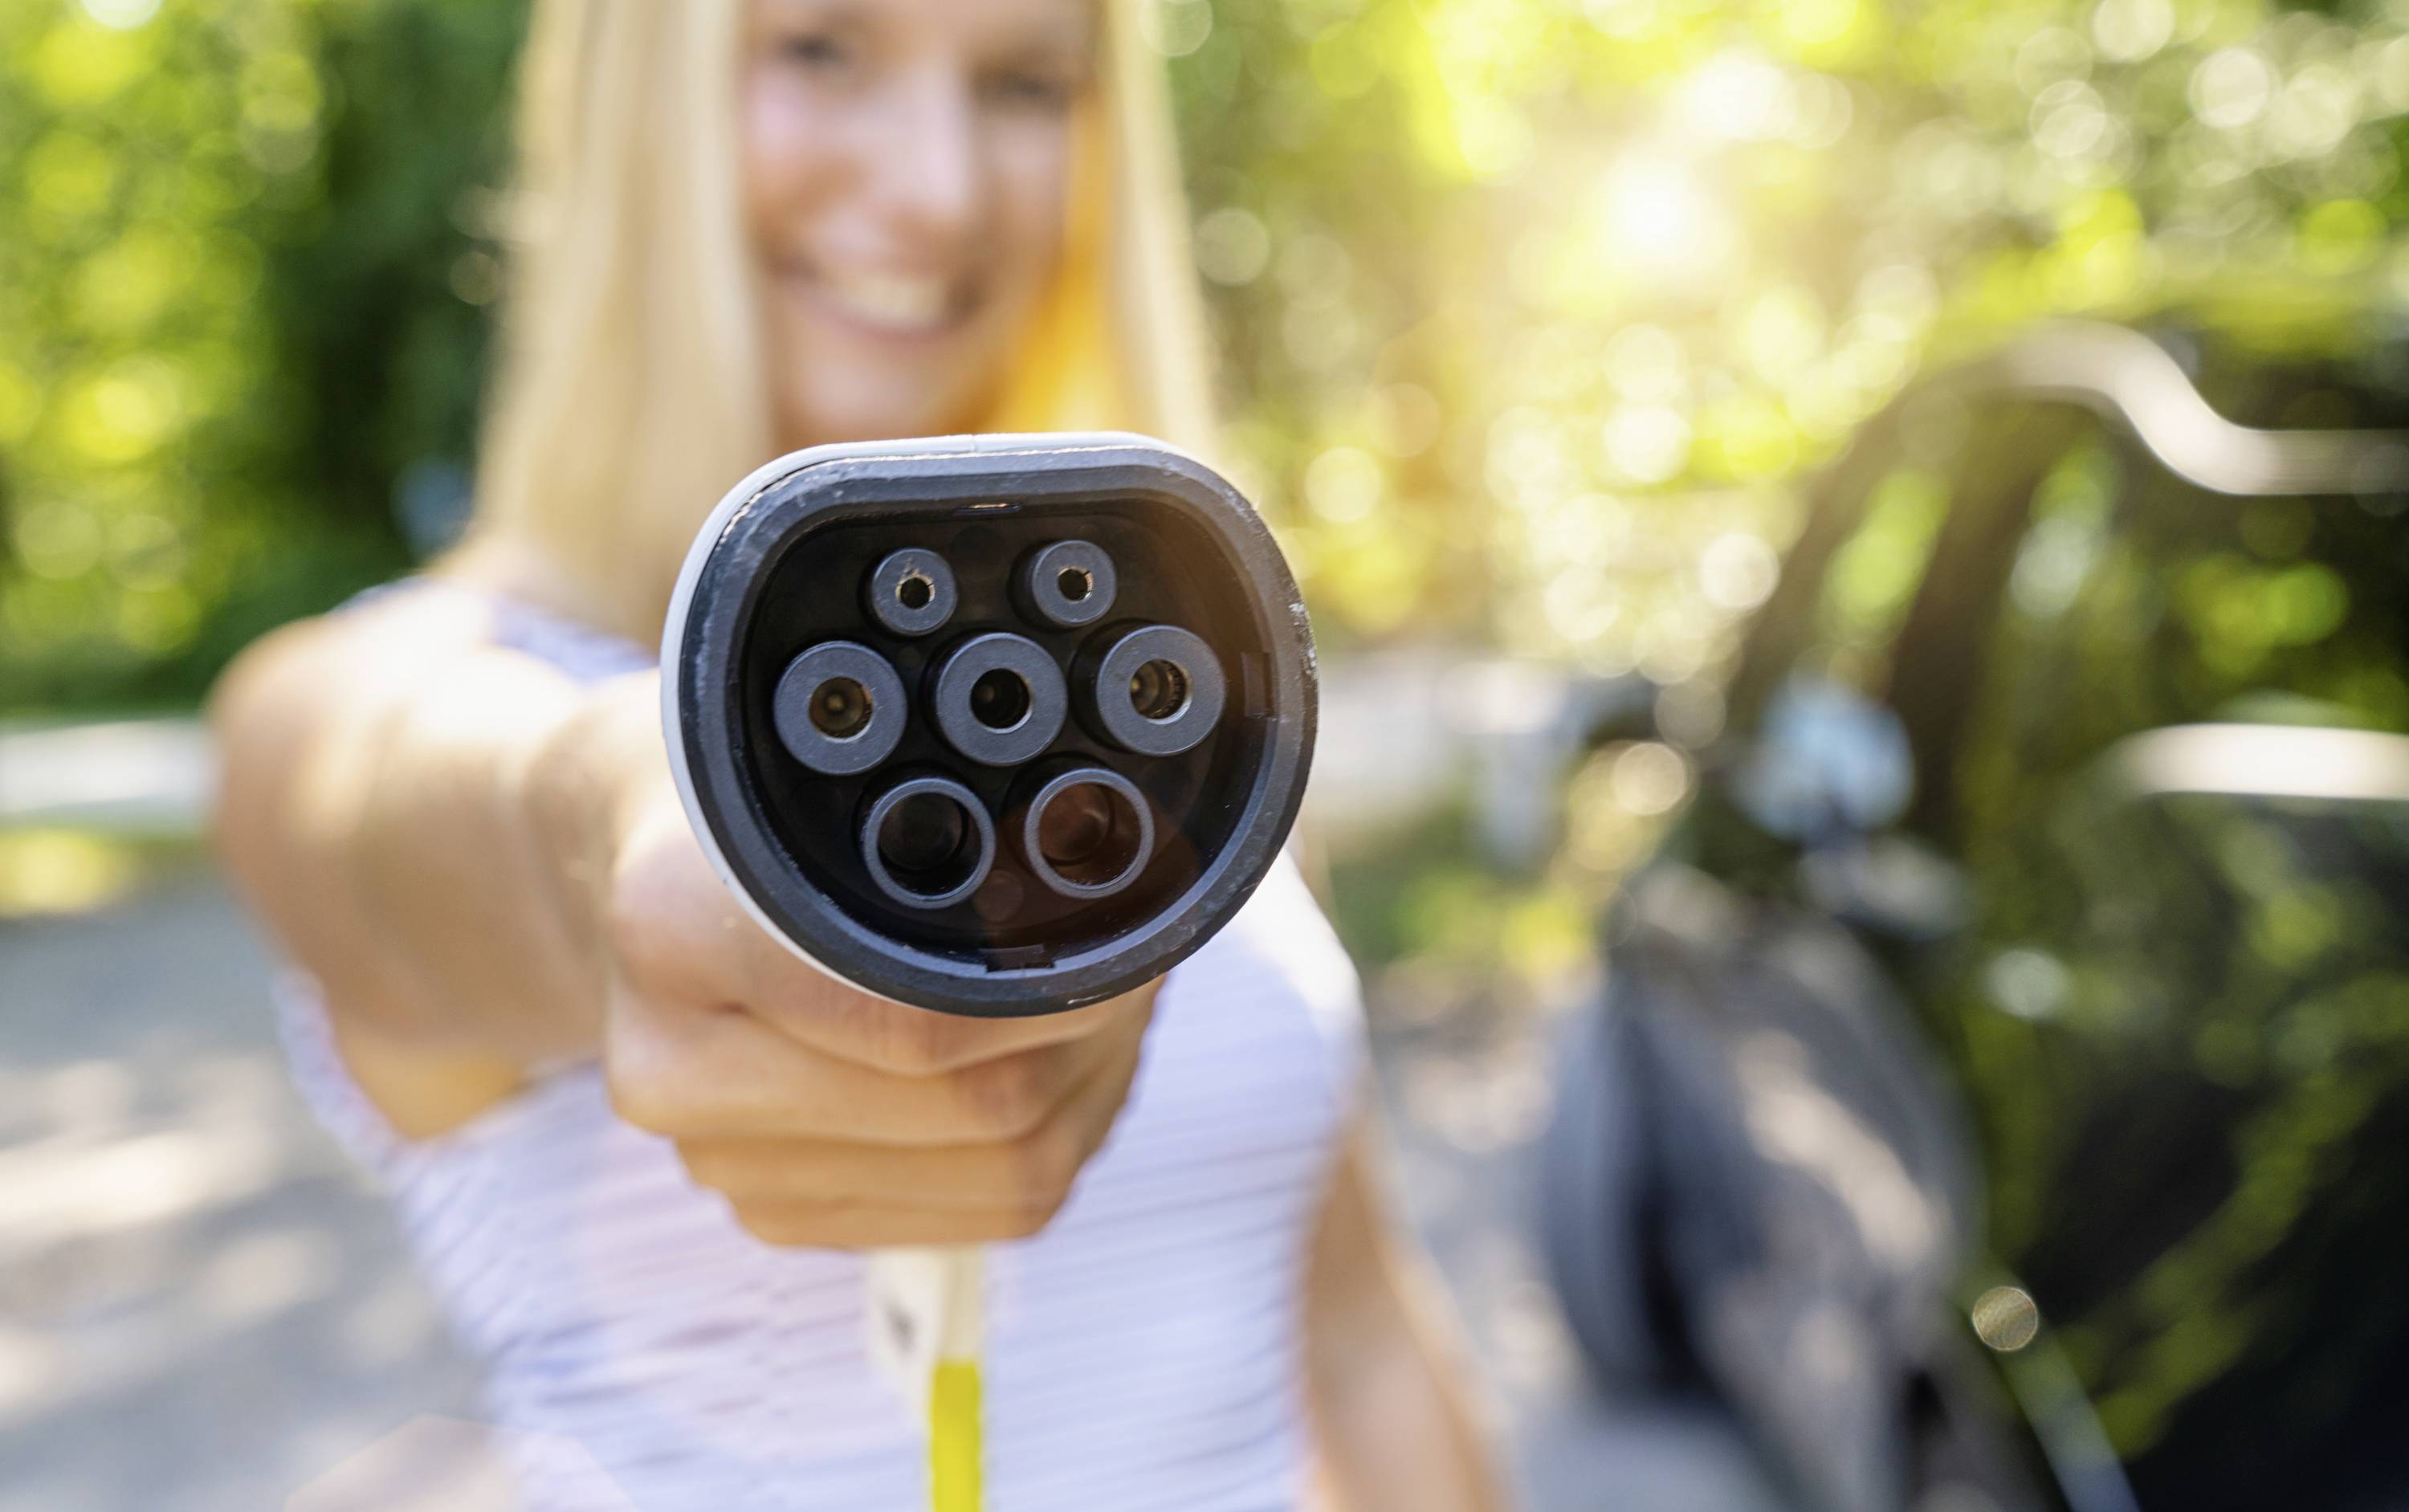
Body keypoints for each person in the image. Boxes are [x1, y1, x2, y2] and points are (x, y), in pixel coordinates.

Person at [210, 2, 1504, 1507]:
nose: (941, 187)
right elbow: (367, 811)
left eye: (1025, 83)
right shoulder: (415, 682)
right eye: (821, 49)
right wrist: (634, 818)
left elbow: (1353, 1337)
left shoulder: (1166, 699)